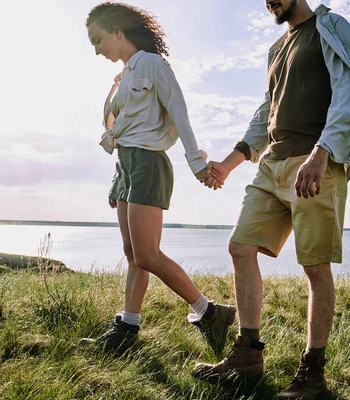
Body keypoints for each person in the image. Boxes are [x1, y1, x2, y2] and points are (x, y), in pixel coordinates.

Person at [195, 1, 350, 399]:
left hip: (315, 163)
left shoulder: (332, 28)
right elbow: (266, 112)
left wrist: (323, 152)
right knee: (240, 247)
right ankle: (248, 357)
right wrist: (230, 161)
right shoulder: (277, 48)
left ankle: (313, 377)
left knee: (315, 268)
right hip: (272, 164)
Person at [81, 2, 234, 355]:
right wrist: (116, 181)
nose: (97, 49)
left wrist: (198, 163)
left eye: (98, 39)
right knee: (132, 252)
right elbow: (123, 129)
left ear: (118, 31)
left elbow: (179, 111)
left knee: (147, 254)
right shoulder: (123, 78)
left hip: (149, 164)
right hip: (126, 166)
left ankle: (208, 312)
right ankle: (126, 329)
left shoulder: (151, 64)